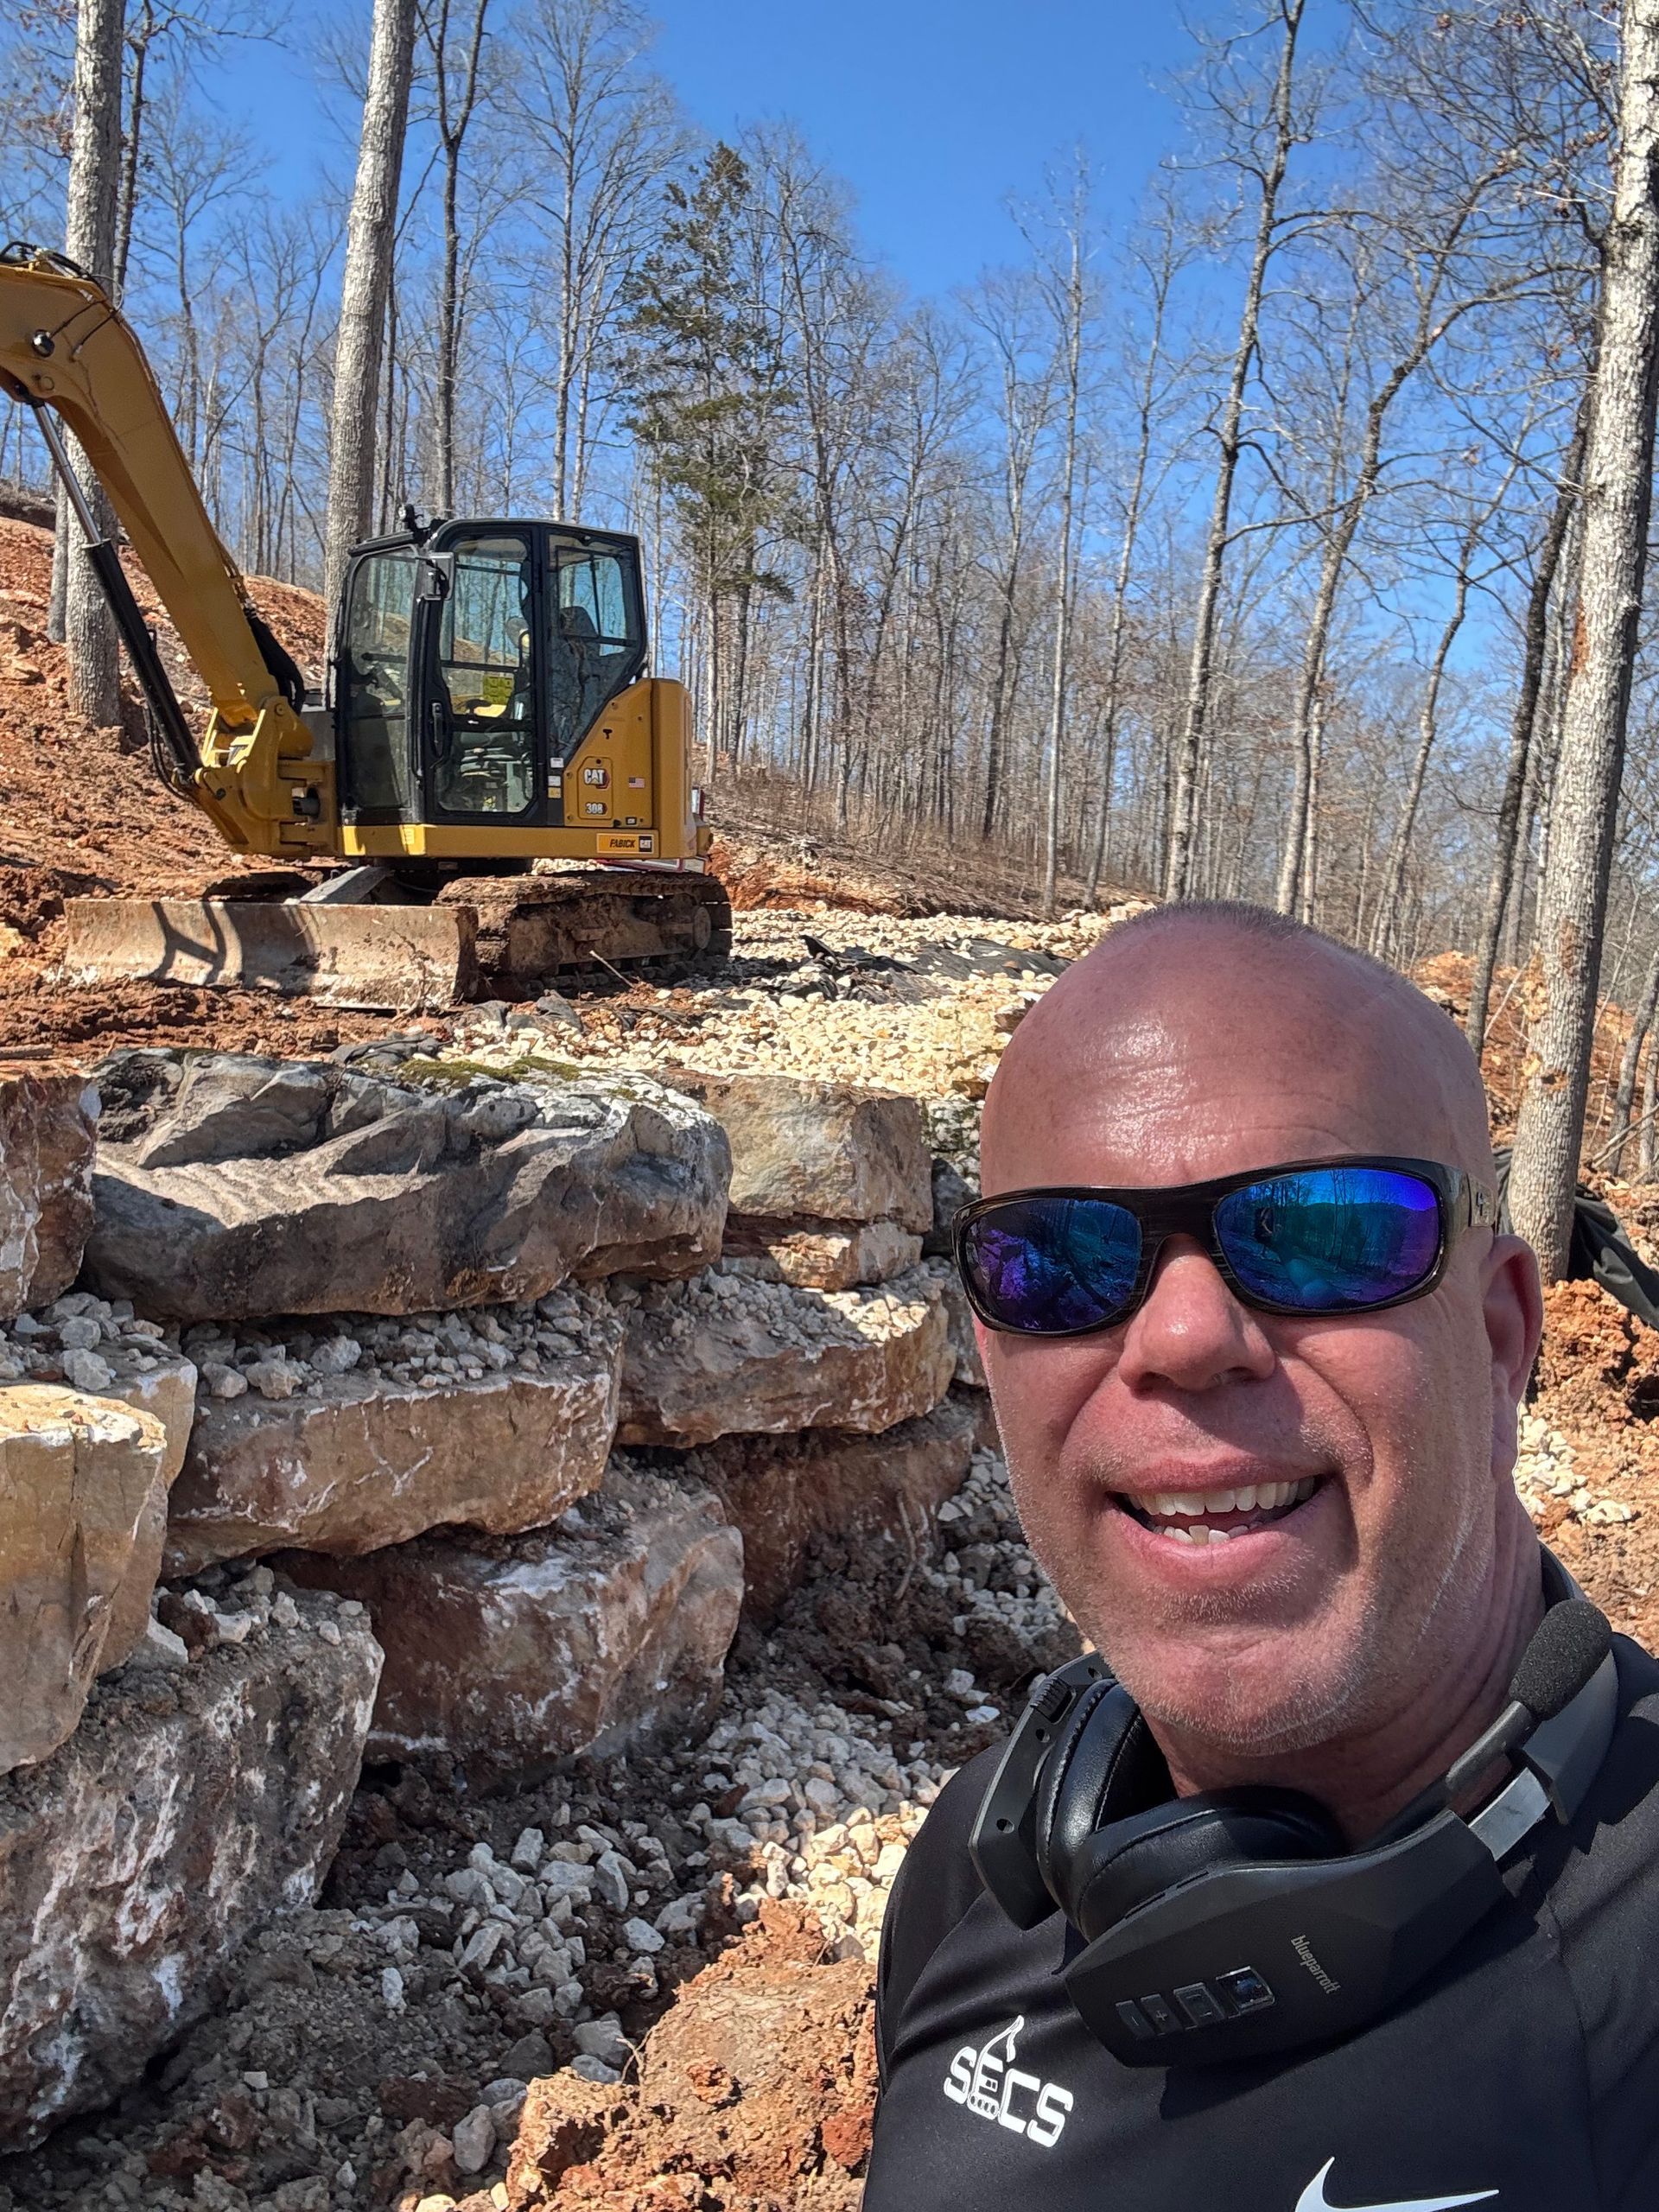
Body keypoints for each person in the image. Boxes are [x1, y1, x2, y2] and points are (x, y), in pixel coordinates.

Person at [865, 901, 1659, 2212]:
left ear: (1505, 1335)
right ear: (990, 1356)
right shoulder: (976, 1873)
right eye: (1061, 1259)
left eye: (1323, 1234)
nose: (1181, 1337)